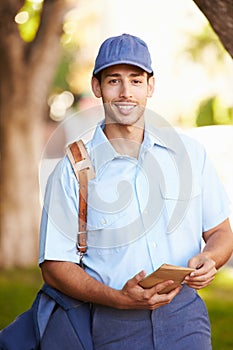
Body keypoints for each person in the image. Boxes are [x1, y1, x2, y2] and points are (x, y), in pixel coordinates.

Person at [39, 34, 233, 349]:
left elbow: (221, 231)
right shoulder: (72, 170)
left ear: (150, 87)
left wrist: (210, 259)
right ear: (97, 87)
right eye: (114, 81)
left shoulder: (190, 154)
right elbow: (54, 266)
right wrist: (118, 299)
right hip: (110, 324)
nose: (126, 92)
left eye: (136, 80)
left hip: (185, 317)